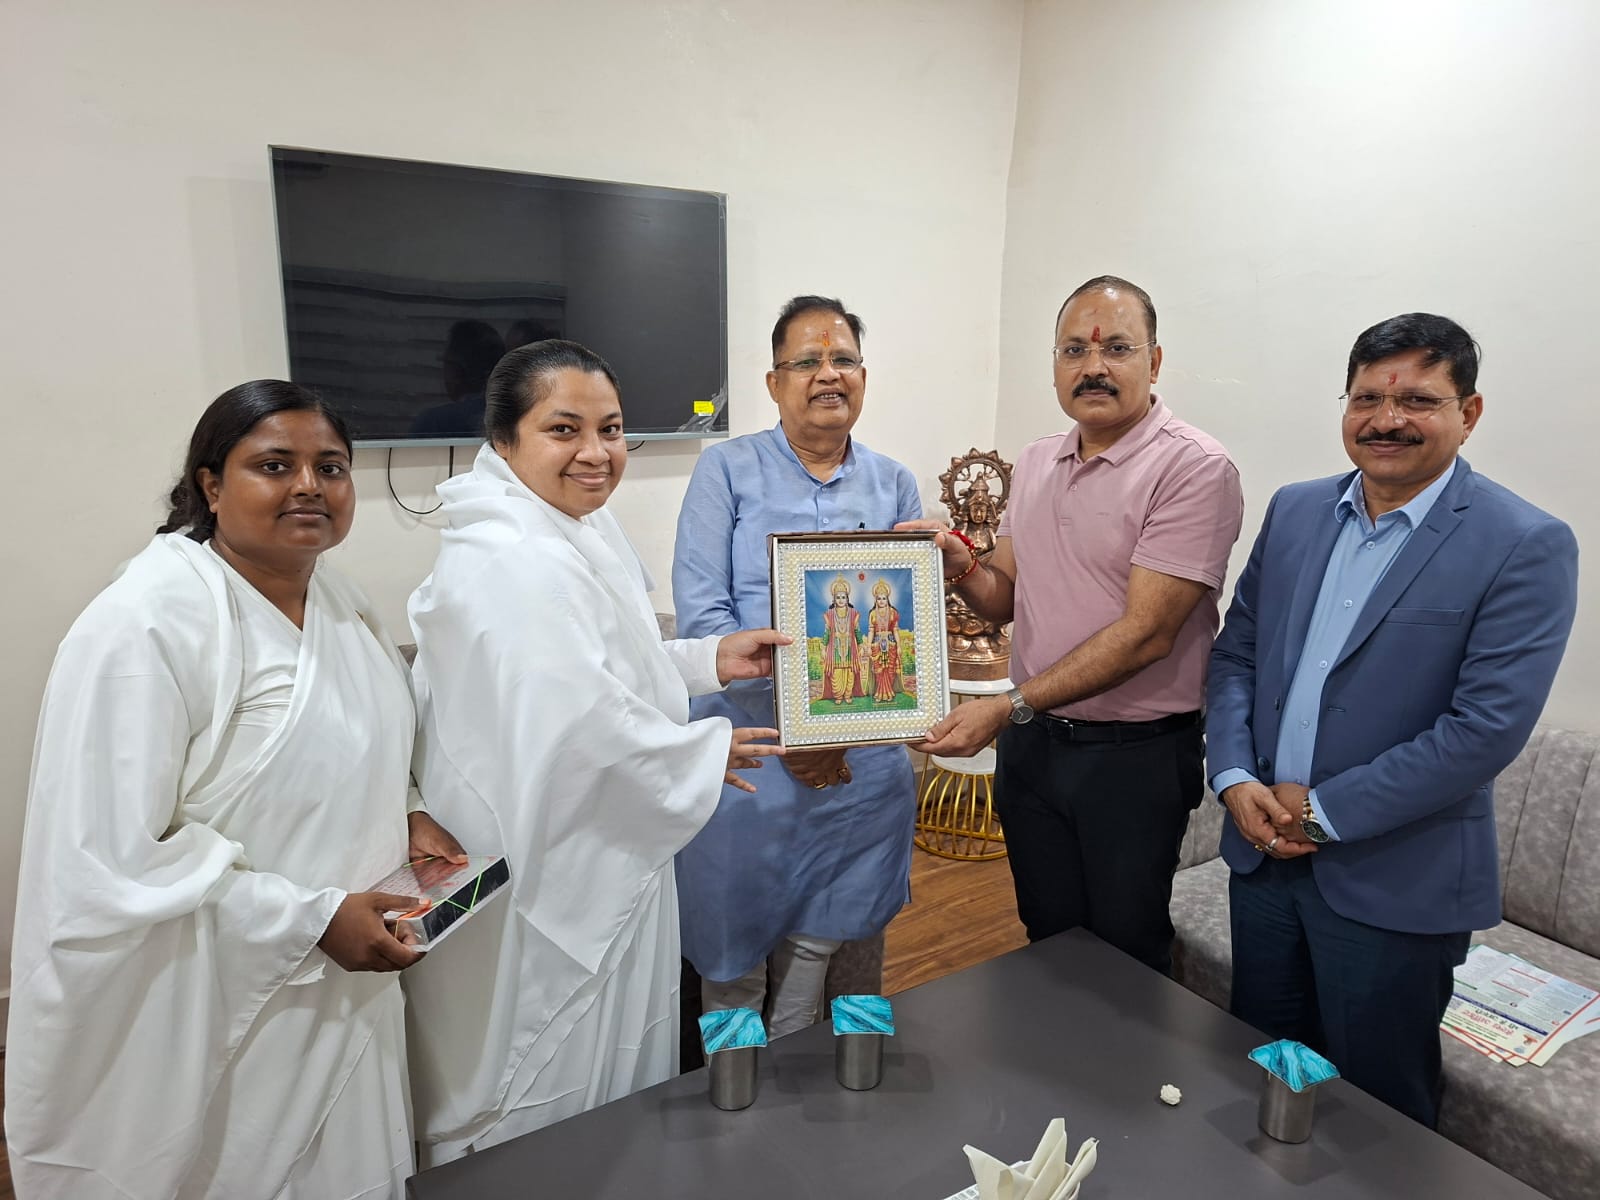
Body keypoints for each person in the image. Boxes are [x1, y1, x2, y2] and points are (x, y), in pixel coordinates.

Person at [5, 380, 464, 1199]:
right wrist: (311, 919)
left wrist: (409, 811)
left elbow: (367, 740)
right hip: (212, 1001)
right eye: (274, 465)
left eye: (331, 467)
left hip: (346, 986)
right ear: (211, 485)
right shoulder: (144, 623)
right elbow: (107, 856)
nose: (309, 487)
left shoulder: (340, 600)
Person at [402, 339, 788, 1163]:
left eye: (610, 429)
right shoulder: (511, 557)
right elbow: (579, 721)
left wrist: (709, 661)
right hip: (546, 850)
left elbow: (615, 666)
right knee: (550, 1078)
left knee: (615, 1079)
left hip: (599, 827)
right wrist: (698, 755)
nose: (595, 452)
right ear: (504, 438)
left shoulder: (572, 526)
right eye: (563, 429)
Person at [1207, 313, 1578, 1127]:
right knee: (1260, 1068)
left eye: (1417, 400)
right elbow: (1237, 654)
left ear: (1468, 413)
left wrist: (1320, 813)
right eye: (1368, 398)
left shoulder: (1524, 543)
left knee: (1379, 1116)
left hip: (1396, 881)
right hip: (1262, 858)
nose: (1387, 419)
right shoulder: (1297, 511)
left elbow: (1484, 729)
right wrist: (1233, 778)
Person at [919, 275, 1243, 975]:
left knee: (1125, 952)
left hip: (1132, 761)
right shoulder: (1039, 459)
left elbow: (1147, 634)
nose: (1093, 367)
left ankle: (1121, 1054)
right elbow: (1004, 597)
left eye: (1116, 348)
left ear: (1155, 361)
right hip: (1036, 750)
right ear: (1055, 364)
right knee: (1047, 933)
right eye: (1074, 350)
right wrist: (960, 566)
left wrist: (1007, 706)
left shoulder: (1193, 468)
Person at [672, 295, 922, 1036]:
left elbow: (902, 631)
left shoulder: (894, 483)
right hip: (751, 757)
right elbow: (705, 620)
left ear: (864, 376)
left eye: (843, 359)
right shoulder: (725, 470)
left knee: (821, 942)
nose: (828, 374)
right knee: (731, 957)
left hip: (859, 768)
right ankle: (733, 1084)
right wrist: (802, 729)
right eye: (807, 361)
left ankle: (794, 1063)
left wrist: (835, 737)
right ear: (774, 382)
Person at [822, 574, 868, 702]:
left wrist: (860, 646)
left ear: (847, 598)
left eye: (843, 597)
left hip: (850, 650)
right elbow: (827, 632)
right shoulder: (829, 614)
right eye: (838, 597)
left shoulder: (853, 614)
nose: (841, 600)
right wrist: (823, 648)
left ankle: (847, 695)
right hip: (835, 650)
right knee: (836, 675)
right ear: (834, 599)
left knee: (850, 674)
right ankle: (838, 696)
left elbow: (857, 631)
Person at [867, 579, 904, 703]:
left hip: (890, 642)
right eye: (879, 598)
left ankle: (889, 692)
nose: (881, 601)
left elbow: (895, 630)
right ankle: (879, 692)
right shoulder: (872, 613)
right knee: (879, 669)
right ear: (875, 600)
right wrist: (868, 646)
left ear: (887, 599)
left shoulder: (893, 612)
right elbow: (871, 630)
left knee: (890, 669)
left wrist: (899, 646)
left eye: (884, 598)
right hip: (877, 643)